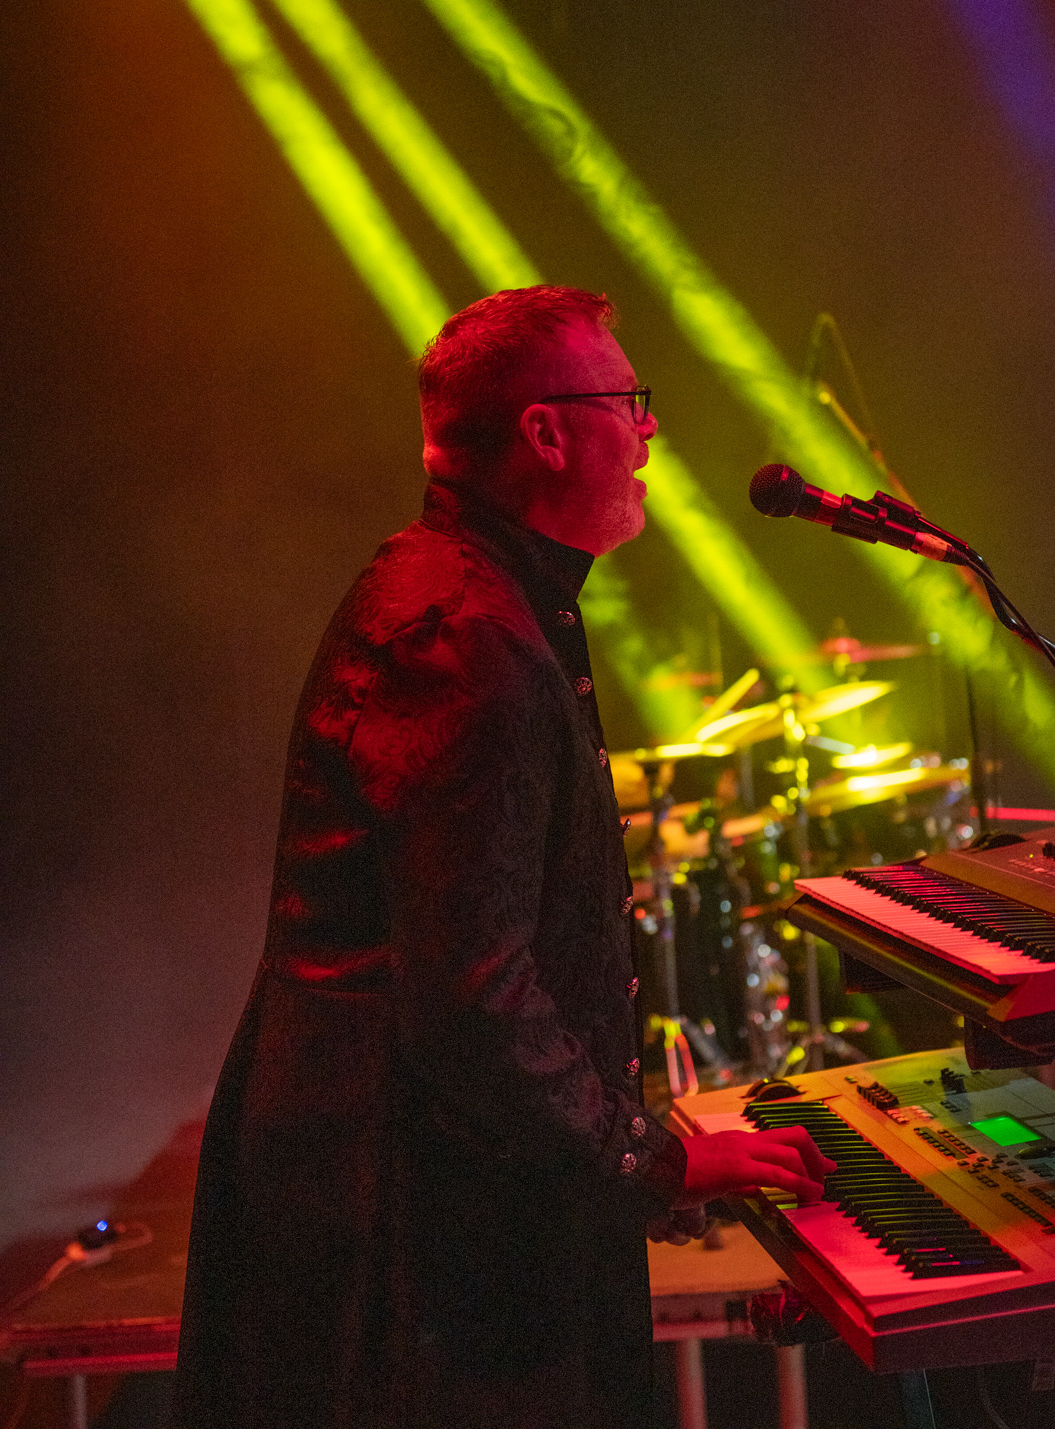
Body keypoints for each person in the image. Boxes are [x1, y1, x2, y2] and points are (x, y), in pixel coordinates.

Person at [171, 286, 832, 1429]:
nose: (650, 431)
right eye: (629, 401)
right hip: (416, 1244)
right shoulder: (468, 636)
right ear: (547, 431)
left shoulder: (471, 593)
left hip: (427, 1202)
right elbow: (474, 995)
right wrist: (654, 1162)